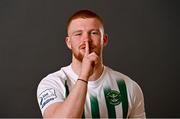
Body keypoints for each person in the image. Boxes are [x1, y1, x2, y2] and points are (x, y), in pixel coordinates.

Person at [37, 9, 146, 118]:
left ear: (104, 40)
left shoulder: (128, 86)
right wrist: (84, 75)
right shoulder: (52, 83)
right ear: (68, 42)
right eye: (78, 34)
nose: (86, 39)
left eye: (93, 33)